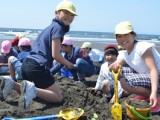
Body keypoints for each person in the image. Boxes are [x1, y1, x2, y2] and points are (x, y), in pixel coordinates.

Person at [0, 0, 77, 109]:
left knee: (35, 90)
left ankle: (11, 84)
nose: (69, 16)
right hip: (38, 66)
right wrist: (68, 63)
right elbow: (56, 55)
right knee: (57, 97)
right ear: (57, 13)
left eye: (72, 15)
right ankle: (33, 89)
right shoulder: (58, 29)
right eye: (66, 12)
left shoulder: (49, 27)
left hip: (27, 64)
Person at [110, 21, 160, 113]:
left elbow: (153, 70)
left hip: (157, 77)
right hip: (149, 78)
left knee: (126, 82)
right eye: (119, 36)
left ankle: (155, 96)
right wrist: (113, 67)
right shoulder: (124, 53)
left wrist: (153, 92)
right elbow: (115, 65)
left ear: (134, 35)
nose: (122, 38)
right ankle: (147, 94)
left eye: (126, 35)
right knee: (121, 72)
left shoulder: (142, 47)